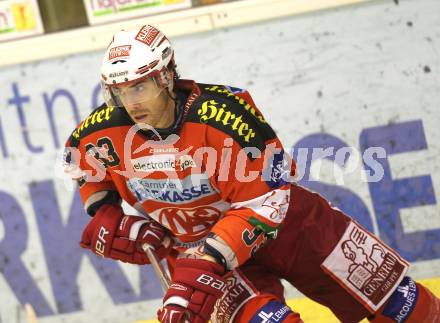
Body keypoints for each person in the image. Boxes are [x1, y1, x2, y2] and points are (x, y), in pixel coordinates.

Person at [63, 24, 440, 323]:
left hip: (287, 228)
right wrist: (107, 214)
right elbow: (84, 168)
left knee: (401, 306)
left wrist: (209, 257)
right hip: (198, 249)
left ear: (165, 77)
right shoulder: (99, 132)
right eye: (119, 92)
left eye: (139, 87)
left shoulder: (226, 115)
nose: (130, 103)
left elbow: (269, 199)